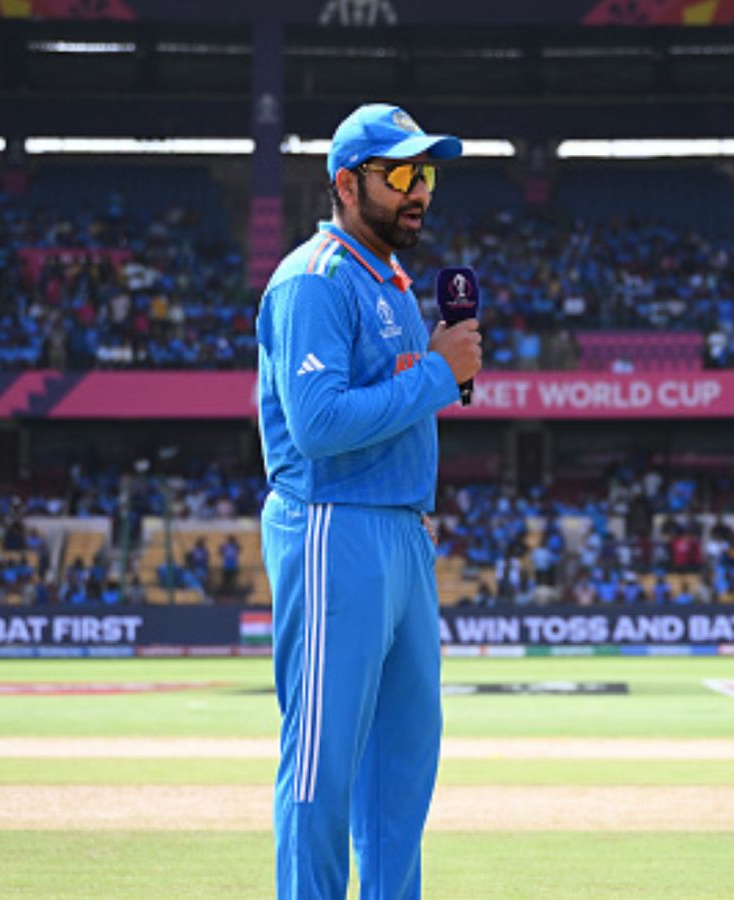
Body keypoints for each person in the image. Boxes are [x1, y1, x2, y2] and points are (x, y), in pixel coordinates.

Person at [255, 103, 482, 900]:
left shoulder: (387, 282)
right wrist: (436, 372)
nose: (418, 189)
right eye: (399, 174)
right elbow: (317, 426)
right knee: (322, 762)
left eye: (425, 173)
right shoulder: (313, 279)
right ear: (347, 184)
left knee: (401, 767)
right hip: (333, 527)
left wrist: (434, 370)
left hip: (399, 534)